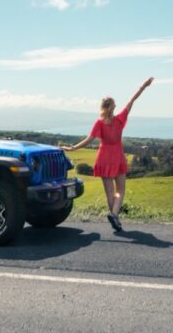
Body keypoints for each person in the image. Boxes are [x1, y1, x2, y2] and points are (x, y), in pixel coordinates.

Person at [61, 77, 154, 231]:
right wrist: (143, 86)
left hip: (103, 158)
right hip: (117, 157)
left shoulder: (99, 123)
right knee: (120, 191)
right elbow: (132, 100)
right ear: (113, 107)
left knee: (109, 193)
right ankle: (115, 215)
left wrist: (72, 149)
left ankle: (114, 217)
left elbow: (89, 140)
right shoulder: (119, 120)